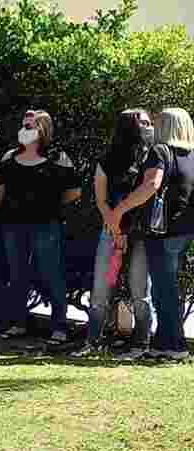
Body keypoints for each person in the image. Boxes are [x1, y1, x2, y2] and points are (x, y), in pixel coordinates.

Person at [0, 110, 81, 345]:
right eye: (24, 125)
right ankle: (18, 323)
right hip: (11, 226)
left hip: (46, 226)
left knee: (51, 273)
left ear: (44, 129)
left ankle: (59, 327)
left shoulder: (58, 157)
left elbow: (75, 191)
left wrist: (50, 204)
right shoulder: (8, 157)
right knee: (17, 276)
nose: (25, 129)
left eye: (31, 125)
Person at [71, 109, 156, 359]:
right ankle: (94, 342)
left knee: (141, 291)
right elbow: (101, 199)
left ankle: (141, 344)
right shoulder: (107, 159)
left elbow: (150, 191)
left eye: (150, 123)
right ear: (128, 126)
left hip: (141, 232)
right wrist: (116, 228)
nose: (148, 127)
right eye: (143, 123)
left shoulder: (153, 156)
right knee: (100, 291)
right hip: (111, 230)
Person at [121, 108, 194, 361]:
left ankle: (176, 347)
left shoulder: (160, 151)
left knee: (164, 291)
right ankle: (162, 345)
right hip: (183, 232)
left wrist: (120, 209)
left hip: (161, 232)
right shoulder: (191, 155)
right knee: (167, 288)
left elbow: (151, 185)